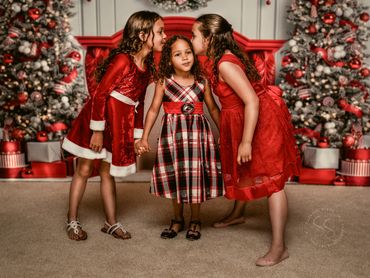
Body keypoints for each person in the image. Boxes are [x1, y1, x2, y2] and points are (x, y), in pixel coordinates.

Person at [191, 14, 299, 265]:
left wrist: (246, 141)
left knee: (273, 181)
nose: (192, 39)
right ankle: (238, 213)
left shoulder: (224, 64)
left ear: (208, 38)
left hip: (259, 118)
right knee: (242, 167)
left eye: (194, 35)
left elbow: (251, 100)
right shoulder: (216, 58)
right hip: (239, 118)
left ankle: (279, 246)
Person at [62, 11, 167, 241]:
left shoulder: (148, 67)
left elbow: (137, 105)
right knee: (85, 169)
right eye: (160, 31)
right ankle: (72, 219)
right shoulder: (123, 60)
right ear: (142, 34)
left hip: (118, 124)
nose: (164, 36)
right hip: (98, 120)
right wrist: (97, 130)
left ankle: (110, 222)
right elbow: (100, 94)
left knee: (106, 171)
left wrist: (137, 137)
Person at [135, 35, 223, 240]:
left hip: (197, 136)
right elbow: (153, 110)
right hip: (173, 136)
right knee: (176, 175)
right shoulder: (164, 81)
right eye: (178, 54)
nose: (185, 57)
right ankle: (177, 218)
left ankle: (195, 219)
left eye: (188, 52)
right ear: (168, 60)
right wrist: (144, 137)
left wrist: (225, 134)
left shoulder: (202, 81)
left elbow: (212, 108)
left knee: (195, 176)